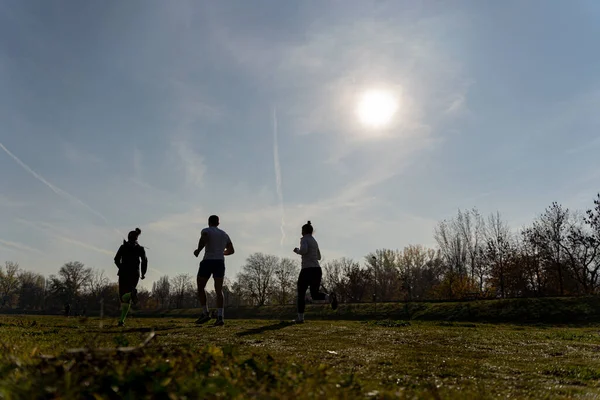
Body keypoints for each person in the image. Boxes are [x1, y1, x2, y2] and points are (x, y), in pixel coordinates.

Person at [193, 215, 234, 327]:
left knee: (201, 287)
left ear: (208, 222)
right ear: (218, 223)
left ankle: (205, 312)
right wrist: (221, 252)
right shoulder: (224, 234)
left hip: (208, 261)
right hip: (219, 262)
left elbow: (204, 239)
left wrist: (198, 250)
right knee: (218, 289)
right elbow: (231, 250)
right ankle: (220, 317)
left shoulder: (206, 231)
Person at [293, 221, 337, 323]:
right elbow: (319, 257)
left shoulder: (304, 239)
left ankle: (300, 318)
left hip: (307, 269)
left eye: (301, 230)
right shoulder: (314, 241)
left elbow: (304, 250)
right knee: (315, 294)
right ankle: (328, 297)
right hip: (317, 270)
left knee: (301, 293)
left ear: (304, 231)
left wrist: (297, 251)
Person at [114, 227, 147, 327]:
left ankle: (122, 320)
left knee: (122, 297)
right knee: (127, 298)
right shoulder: (140, 248)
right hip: (135, 274)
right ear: (137, 238)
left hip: (124, 273)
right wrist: (143, 273)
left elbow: (116, 259)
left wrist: (121, 267)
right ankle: (121, 320)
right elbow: (144, 261)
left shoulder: (123, 247)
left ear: (128, 237)